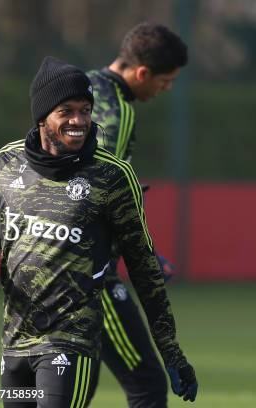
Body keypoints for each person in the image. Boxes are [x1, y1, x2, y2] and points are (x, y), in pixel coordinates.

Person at [0, 56, 197, 407]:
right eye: (67, 111)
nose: (79, 121)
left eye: (85, 109)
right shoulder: (7, 162)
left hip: (70, 342)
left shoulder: (112, 176)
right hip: (15, 343)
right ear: (43, 115)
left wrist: (170, 350)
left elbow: (144, 268)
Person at [83, 23, 187, 408]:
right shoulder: (118, 112)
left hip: (48, 256)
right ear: (142, 73)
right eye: (166, 80)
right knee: (146, 384)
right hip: (89, 273)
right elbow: (98, 192)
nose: (167, 89)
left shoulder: (80, 88)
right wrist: (140, 254)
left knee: (69, 388)